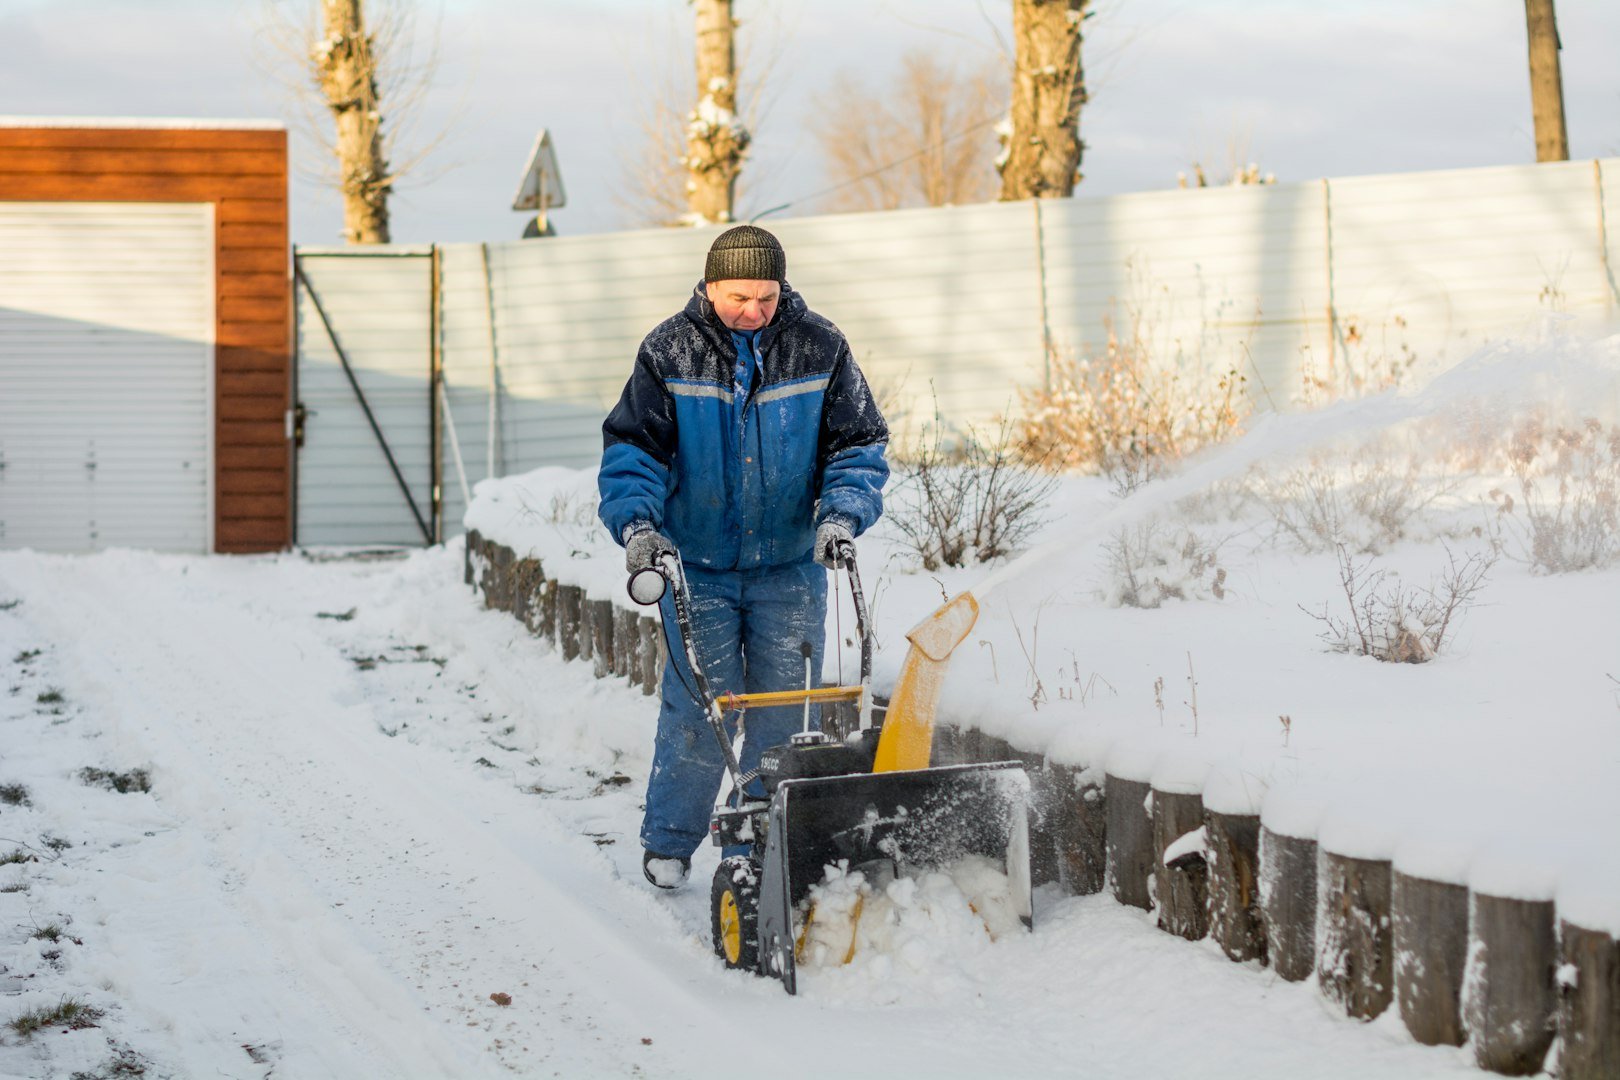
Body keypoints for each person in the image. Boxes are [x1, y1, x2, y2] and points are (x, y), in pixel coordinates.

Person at [598, 225, 889, 889]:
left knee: (786, 711)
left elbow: (859, 444)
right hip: (695, 568)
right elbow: (633, 452)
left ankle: (762, 839)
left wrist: (841, 514)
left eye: (766, 296)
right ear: (708, 285)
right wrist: (639, 526)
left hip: (789, 567)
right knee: (702, 706)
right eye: (739, 296)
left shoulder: (821, 345)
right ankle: (671, 839)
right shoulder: (668, 351)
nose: (753, 310)